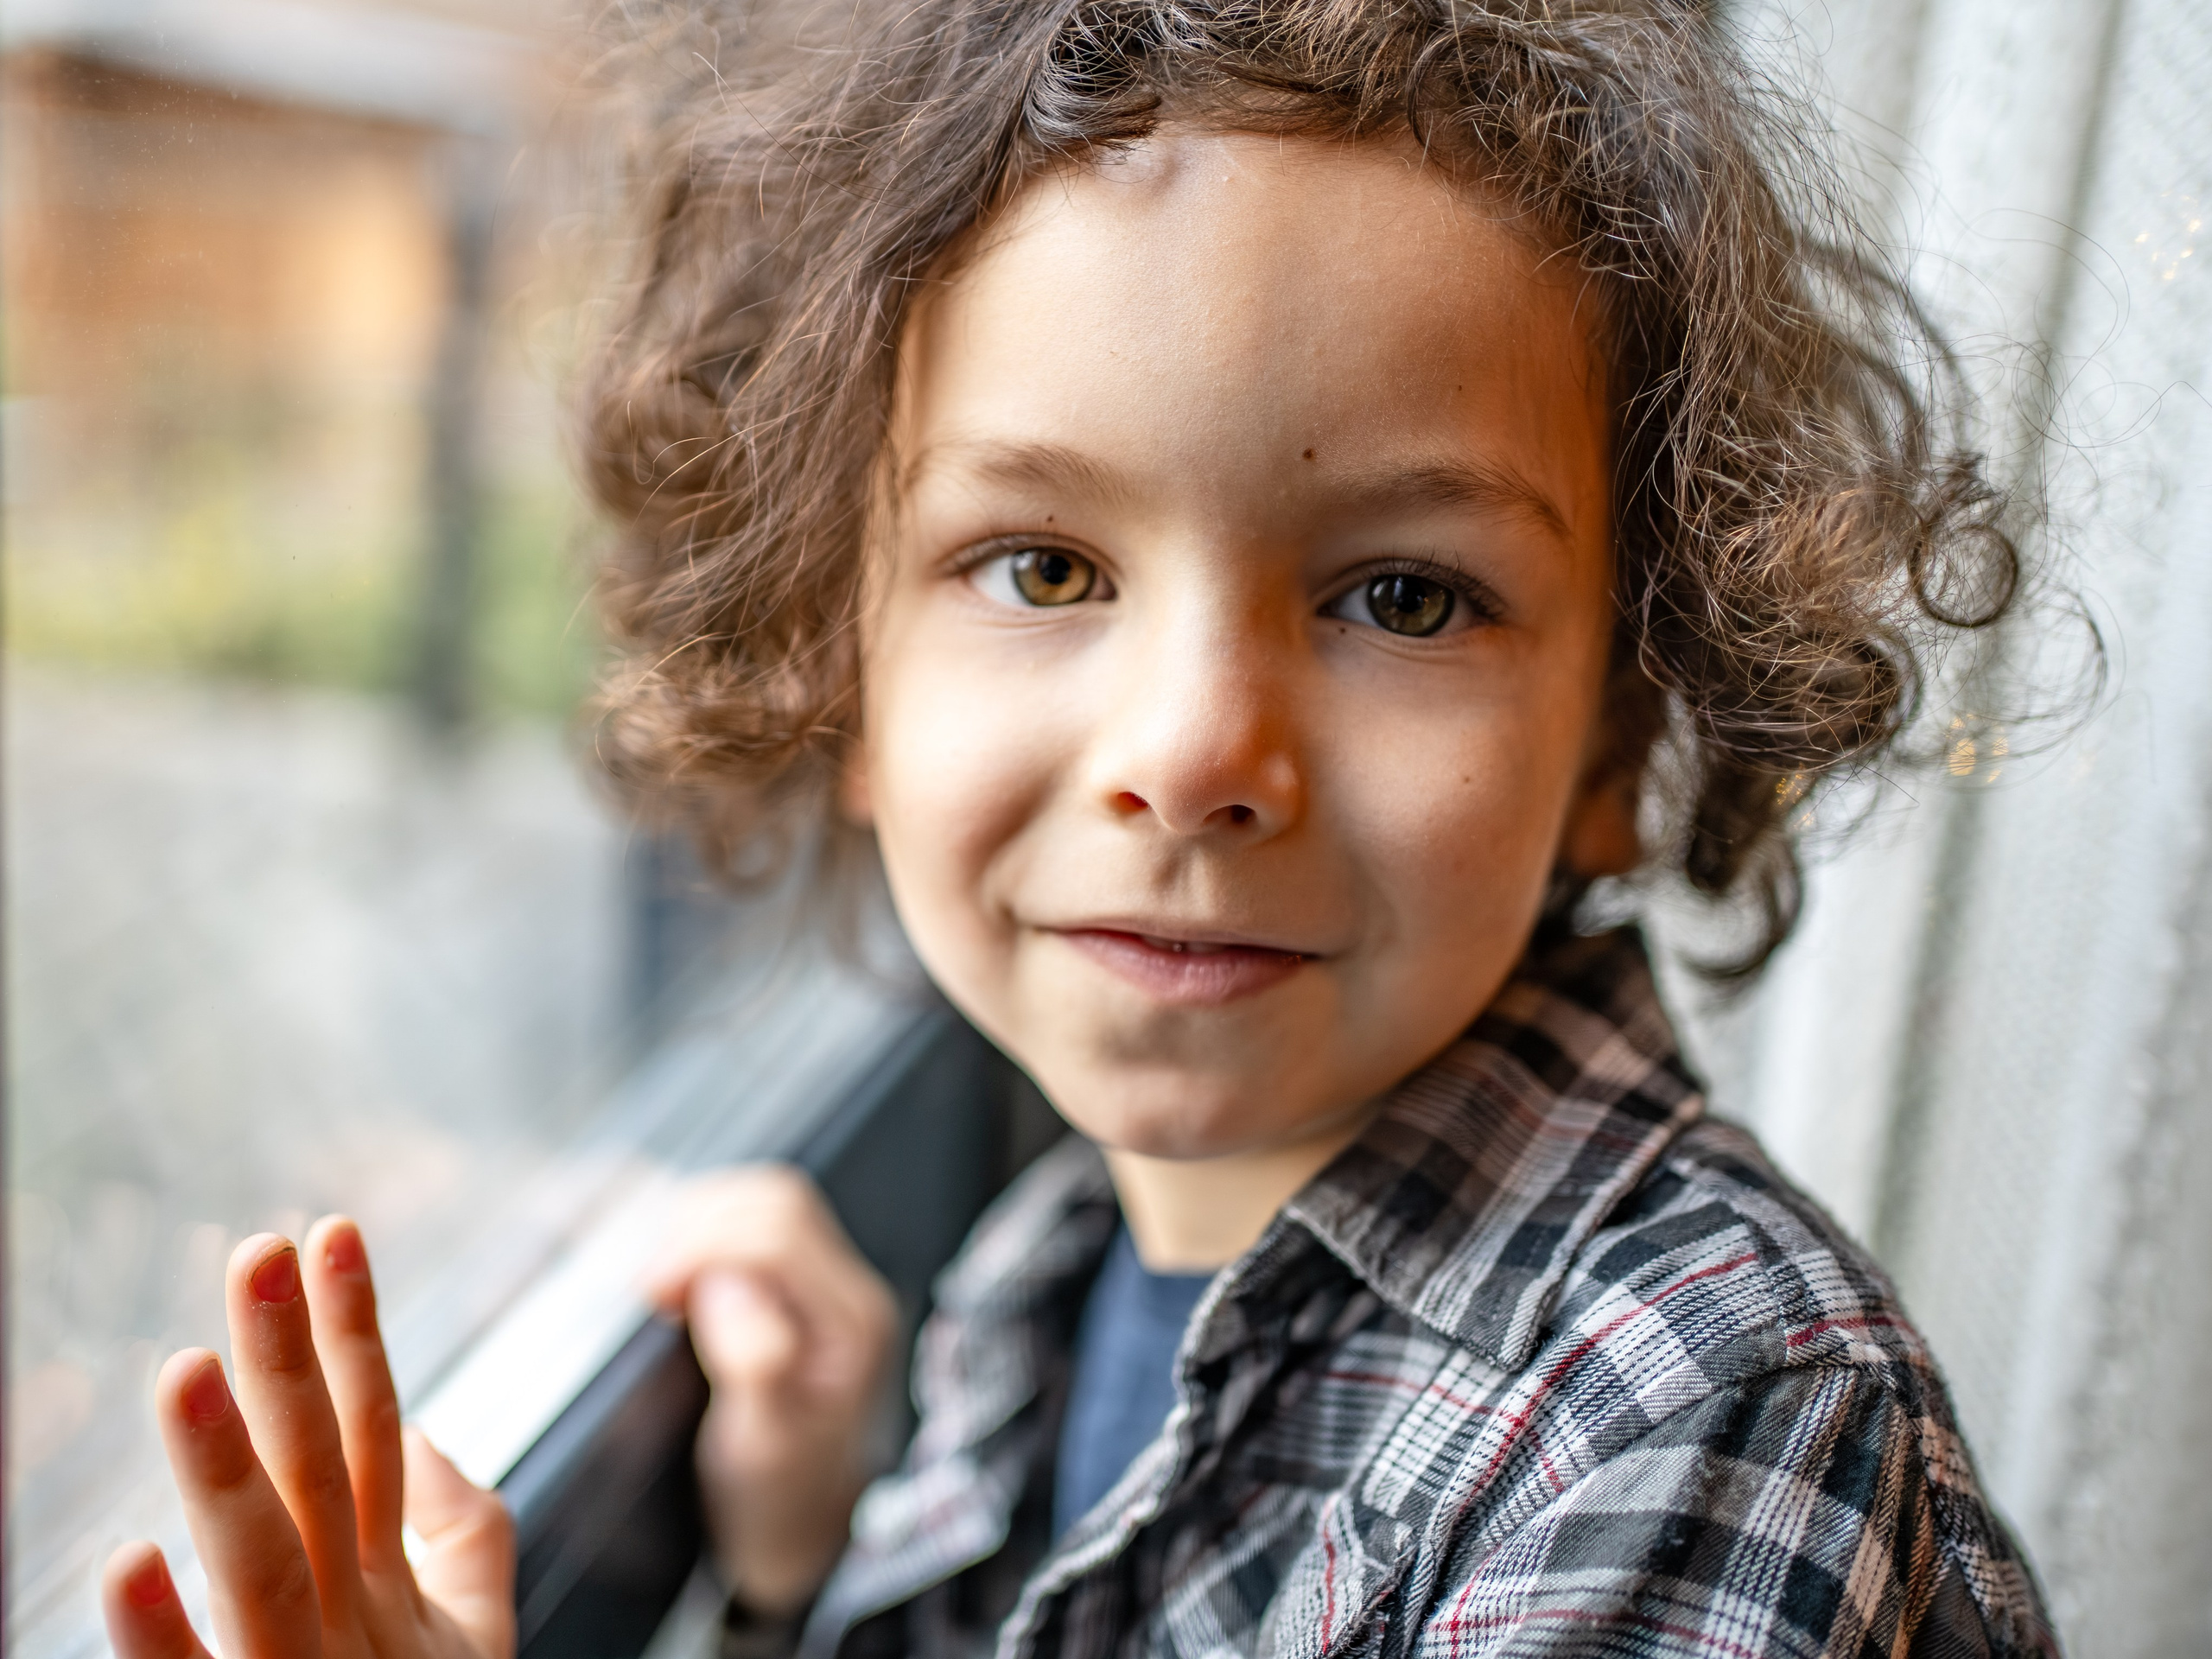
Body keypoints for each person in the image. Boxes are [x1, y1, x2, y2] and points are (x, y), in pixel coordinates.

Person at [99, 1, 2064, 1655]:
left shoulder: (1698, 1438)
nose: (1193, 752)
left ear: (1622, 732)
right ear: (832, 662)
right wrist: (797, 1573)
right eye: (1039, 566)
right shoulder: (1040, 1280)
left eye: (1400, 597)